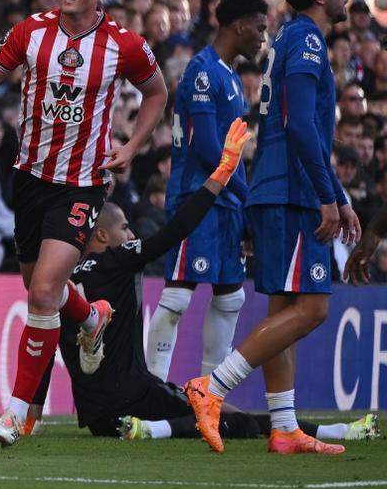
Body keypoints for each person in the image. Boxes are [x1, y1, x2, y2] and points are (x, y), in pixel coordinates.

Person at [25, 119, 379, 444]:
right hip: (135, 398)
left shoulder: (61, 284)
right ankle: (153, 429)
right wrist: (220, 175)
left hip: (97, 415)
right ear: (101, 235)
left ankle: (334, 430)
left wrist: (32, 413)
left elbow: (46, 341)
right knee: (232, 419)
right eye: (124, 229)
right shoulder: (115, 261)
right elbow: (176, 231)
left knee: (213, 410)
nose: (131, 233)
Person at [0, 0, 169, 446]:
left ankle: (15, 414)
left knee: (41, 293)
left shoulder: (124, 44)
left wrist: (133, 145)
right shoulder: (31, 32)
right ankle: (92, 314)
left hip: (82, 182)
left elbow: (157, 93)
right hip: (30, 179)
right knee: (44, 291)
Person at [185, 0, 361, 455]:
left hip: (286, 187)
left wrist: (340, 195)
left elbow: (301, 129)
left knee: (284, 308)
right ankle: (212, 386)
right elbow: (301, 125)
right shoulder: (306, 40)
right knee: (313, 308)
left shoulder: (290, 38)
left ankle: (284, 427)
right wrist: (328, 196)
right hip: (292, 192)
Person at [147, 0, 268, 382]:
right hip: (196, 201)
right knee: (178, 296)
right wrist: (245, 198)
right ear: (239, 25)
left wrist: (240, 202)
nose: (263, 37)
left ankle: (209, 395)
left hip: (226, 201)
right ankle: (153, 388)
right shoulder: (202, 71)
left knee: (230, 297)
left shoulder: (230, 77)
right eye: (260, 28)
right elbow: (206, 150)